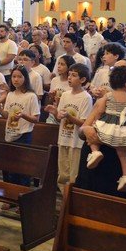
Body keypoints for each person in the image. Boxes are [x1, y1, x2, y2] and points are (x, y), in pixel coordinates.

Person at [85, 66, 126, 191]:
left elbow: (100, 110)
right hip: (122, 128)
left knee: (93, 136)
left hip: (107, 125)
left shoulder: (108, 96)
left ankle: (95, 152)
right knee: (123, 154)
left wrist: (97, 122)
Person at [45, 63, 93, 191]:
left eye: (74, 75)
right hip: (63, 139)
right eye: (69, 74)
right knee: (62, 175)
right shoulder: (65, 95)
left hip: (76, 142)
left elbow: (84, 123)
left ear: (83, 79)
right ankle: (64, 197)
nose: (70, 77)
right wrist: (55, 112)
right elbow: (59, 118)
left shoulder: (86, 98)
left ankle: (70, 199)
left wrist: (69, 116)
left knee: (74, 176)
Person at [0, 65, 40, 185]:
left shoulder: (31, 96)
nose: (16, 79)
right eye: (14, 77)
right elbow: (7, 116)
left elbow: (36, 118)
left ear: (25, 78)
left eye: (19, 77)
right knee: (9, 167)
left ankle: (21, 191)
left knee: (21, 168)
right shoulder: (10, 94)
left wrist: (23, 115)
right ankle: (9, 190)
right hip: (10, 133)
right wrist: (0, 110)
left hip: (23, 135)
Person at [46, 55, 75, 124]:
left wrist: (60, 101)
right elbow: (49, 102)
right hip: (52, 116)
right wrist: (51, 97)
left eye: (62, 64)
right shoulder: (54, 80)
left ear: (69, 67)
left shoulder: (72, 82)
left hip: (66, 115)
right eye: (58, 63)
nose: (58, 66)